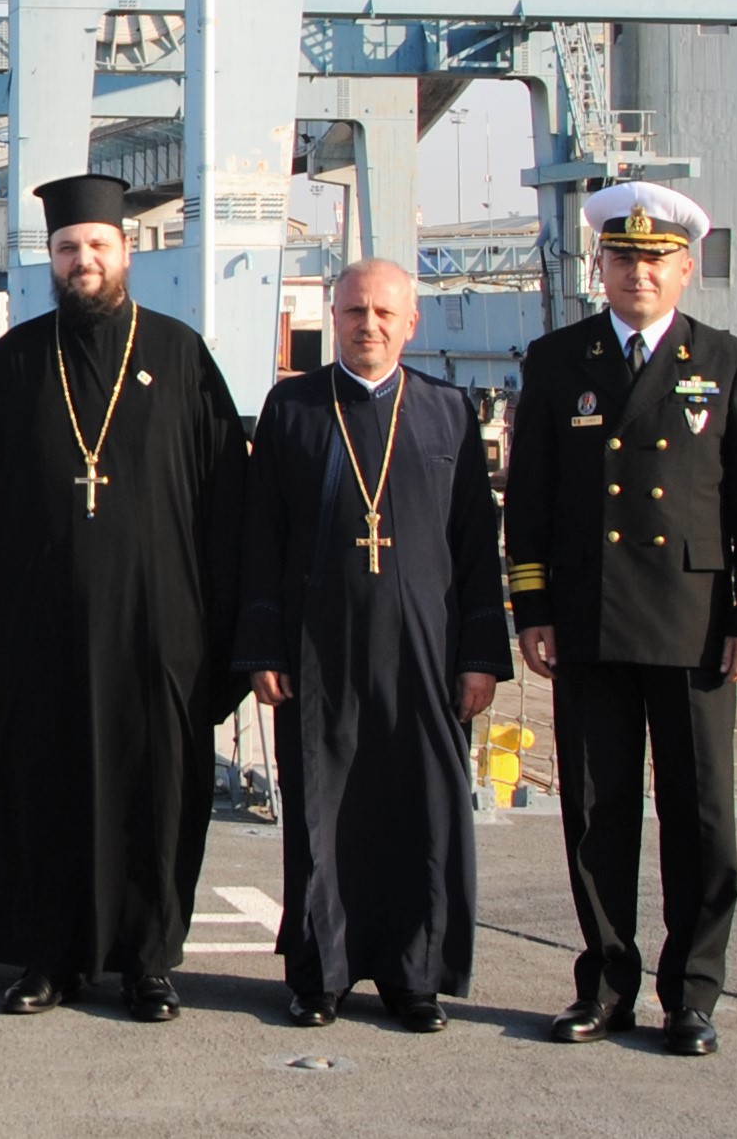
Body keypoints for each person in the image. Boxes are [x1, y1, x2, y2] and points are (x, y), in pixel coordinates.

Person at [0, 172, 246, 1020]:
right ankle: (47, 957)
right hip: (37, 635)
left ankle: (148, 961)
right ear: (52, 257)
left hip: (157, 634)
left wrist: (224, 632)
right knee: (42, 791)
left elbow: (227, 504)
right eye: (69, 247)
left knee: (155, 794)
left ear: (125, 250)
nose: (84, 260)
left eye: (98, 245)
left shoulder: (180, 356)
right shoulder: (13, 363)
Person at [505, 181, 737, 1059]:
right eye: (623, 257)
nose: (639, 273)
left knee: (700, 814)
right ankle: (604, 985)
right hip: (589, 617)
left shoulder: (727, 361)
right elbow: (532, 496)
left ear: (686, 268)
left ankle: (692, 994)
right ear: (600, 265)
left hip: (694, 622)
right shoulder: (559, 361)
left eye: (656, 259)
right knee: (597, 811)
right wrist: (534, 607)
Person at [233, 257, 507, 1033]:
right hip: (318, 650)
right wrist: (262, 648)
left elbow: (476, 545)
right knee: (323, 812)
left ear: (411, 322)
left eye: (385, 312)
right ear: (335, 317)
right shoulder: (293, 407)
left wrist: (482, 656)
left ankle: (413, 976)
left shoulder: (449, 412)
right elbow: (261, 538)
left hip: (426, 651)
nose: (369, 325)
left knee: (421, 812)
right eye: (355, 311)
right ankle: (320, 973)